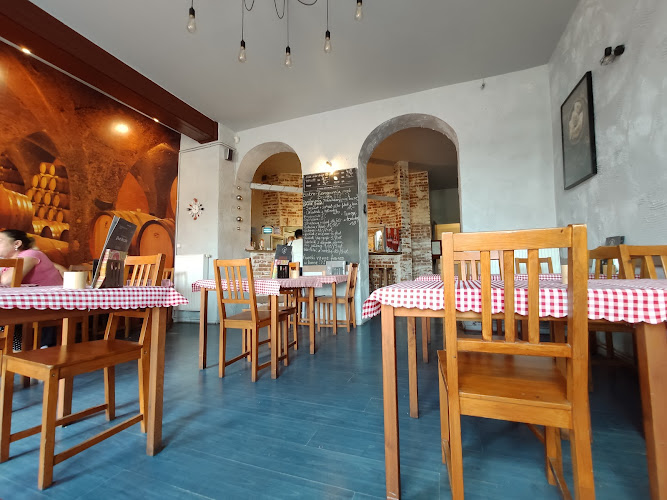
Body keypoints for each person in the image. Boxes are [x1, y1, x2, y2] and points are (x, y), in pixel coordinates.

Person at [0, 229, 64, 349]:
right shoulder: (11, 262)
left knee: (6, 313)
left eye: (0, 241)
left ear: (17, 244)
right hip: (31, 307)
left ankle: (17, 349)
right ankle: (14, 349)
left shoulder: (30, 254)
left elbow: (7, 280)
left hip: (49, 307)